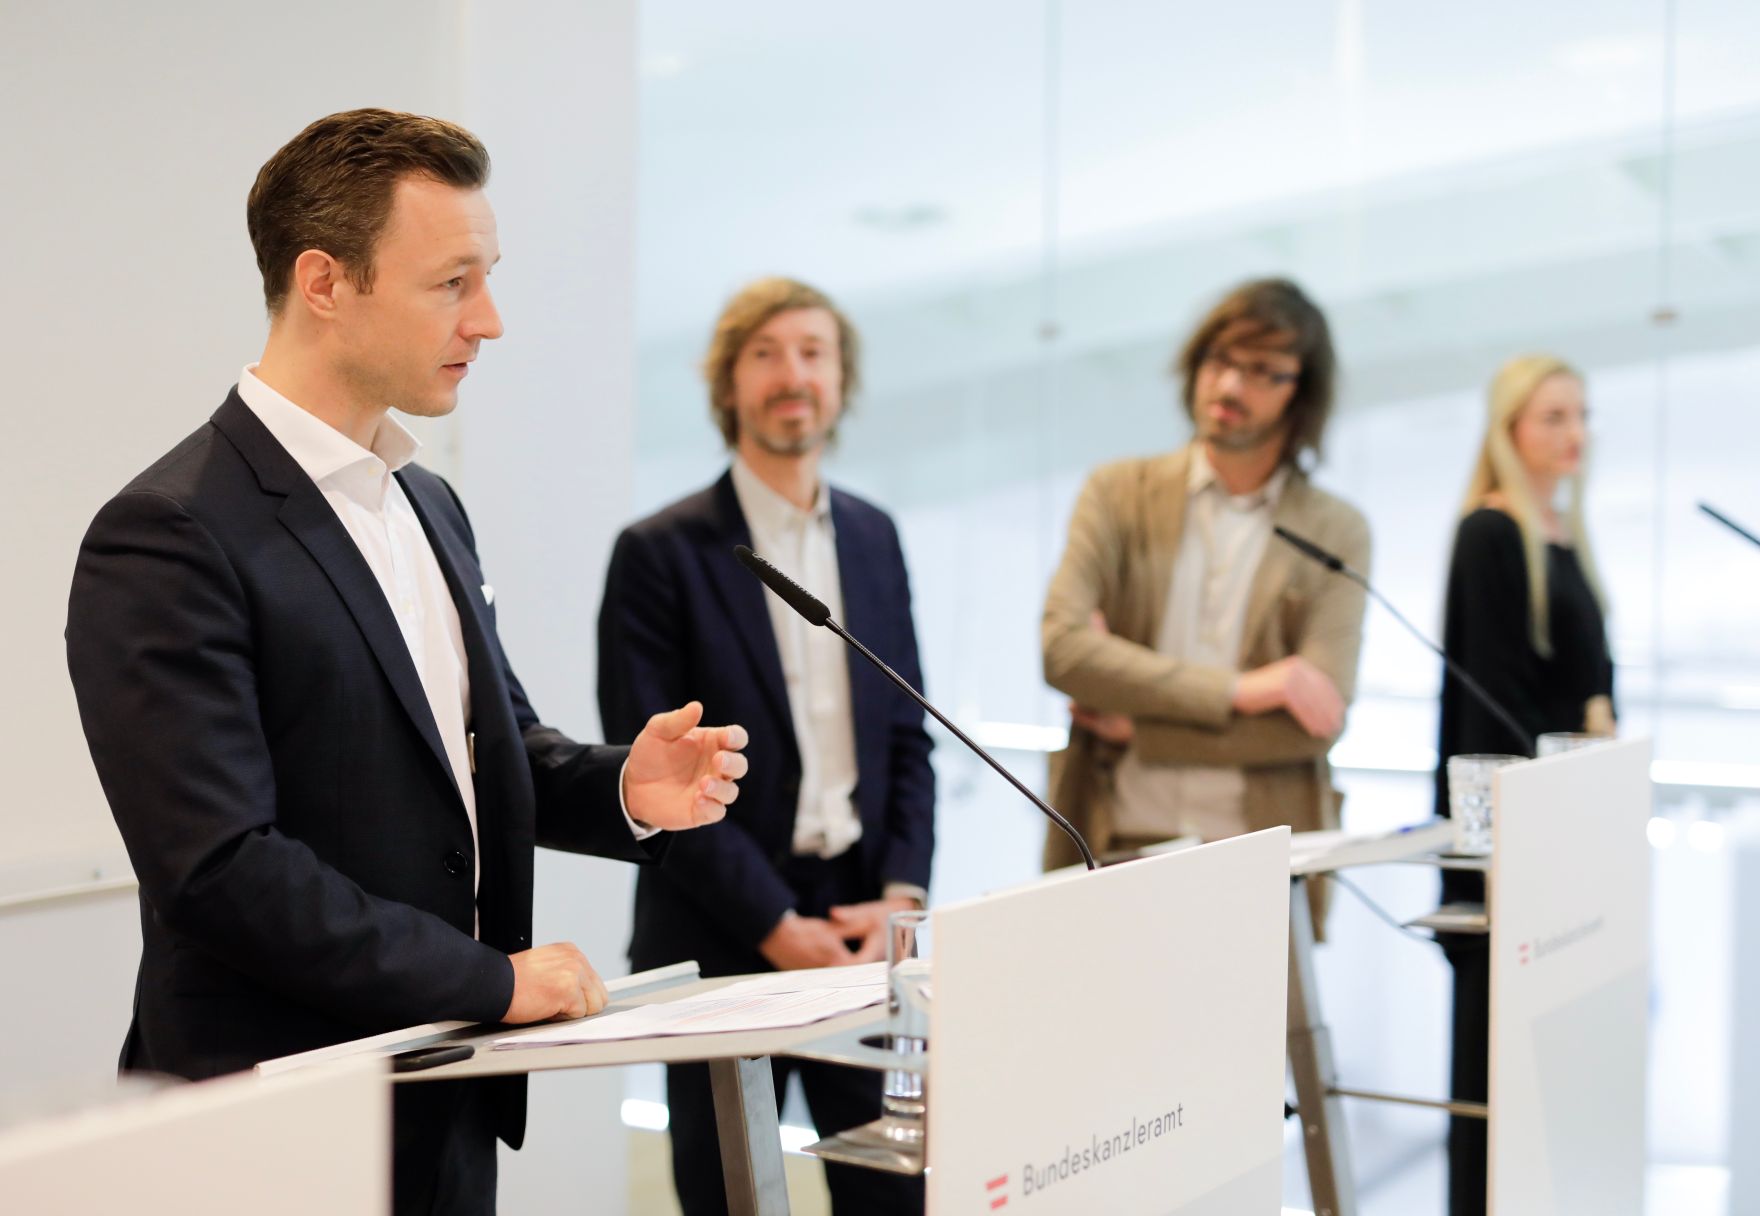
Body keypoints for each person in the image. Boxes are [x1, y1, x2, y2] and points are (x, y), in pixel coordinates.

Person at [63, 109, 749, 1216]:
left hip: (443, 1101)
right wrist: (493, 979)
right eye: (452, 282)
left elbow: (486, 752)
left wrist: (622, 784)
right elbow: (222, 867)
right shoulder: (167, 533)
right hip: (277, 1121)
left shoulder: (428, 503)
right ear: (324, 281)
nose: (489, 320)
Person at [598, 276, 934, 1215]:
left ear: (841, 378)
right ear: (729, 384)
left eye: (815, 352)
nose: (794, 375)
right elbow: (655, 776)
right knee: (729, 1198)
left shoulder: (875, 537)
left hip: (865, 931)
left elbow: (910, 738)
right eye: (767, 353)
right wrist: (777, 927)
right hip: (721, 932)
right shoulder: (658, 553)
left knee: (891, 1198)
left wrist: (900, 899)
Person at [1041, 277, 1369, 874]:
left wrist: (1138, 727)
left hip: (1261, 852)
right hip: (1112, 839)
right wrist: (1243, 691)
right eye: (1219, 360)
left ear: (1301, 391)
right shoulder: (1117, 494)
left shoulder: (1334, 530)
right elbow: (1063, 652)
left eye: (1261, 369)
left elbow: (1313, 729)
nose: (1228, 385)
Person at [1434, 353, 1613, 1216]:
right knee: (1493, 1089)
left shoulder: (1564, 535)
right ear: (1510, 430)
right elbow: (1492, 708)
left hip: (1569, 844)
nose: (1575, 433)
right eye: (1554, 417)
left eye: (1581, 415)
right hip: (1514, 855)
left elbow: (1588, 684)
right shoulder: (1493, 532)